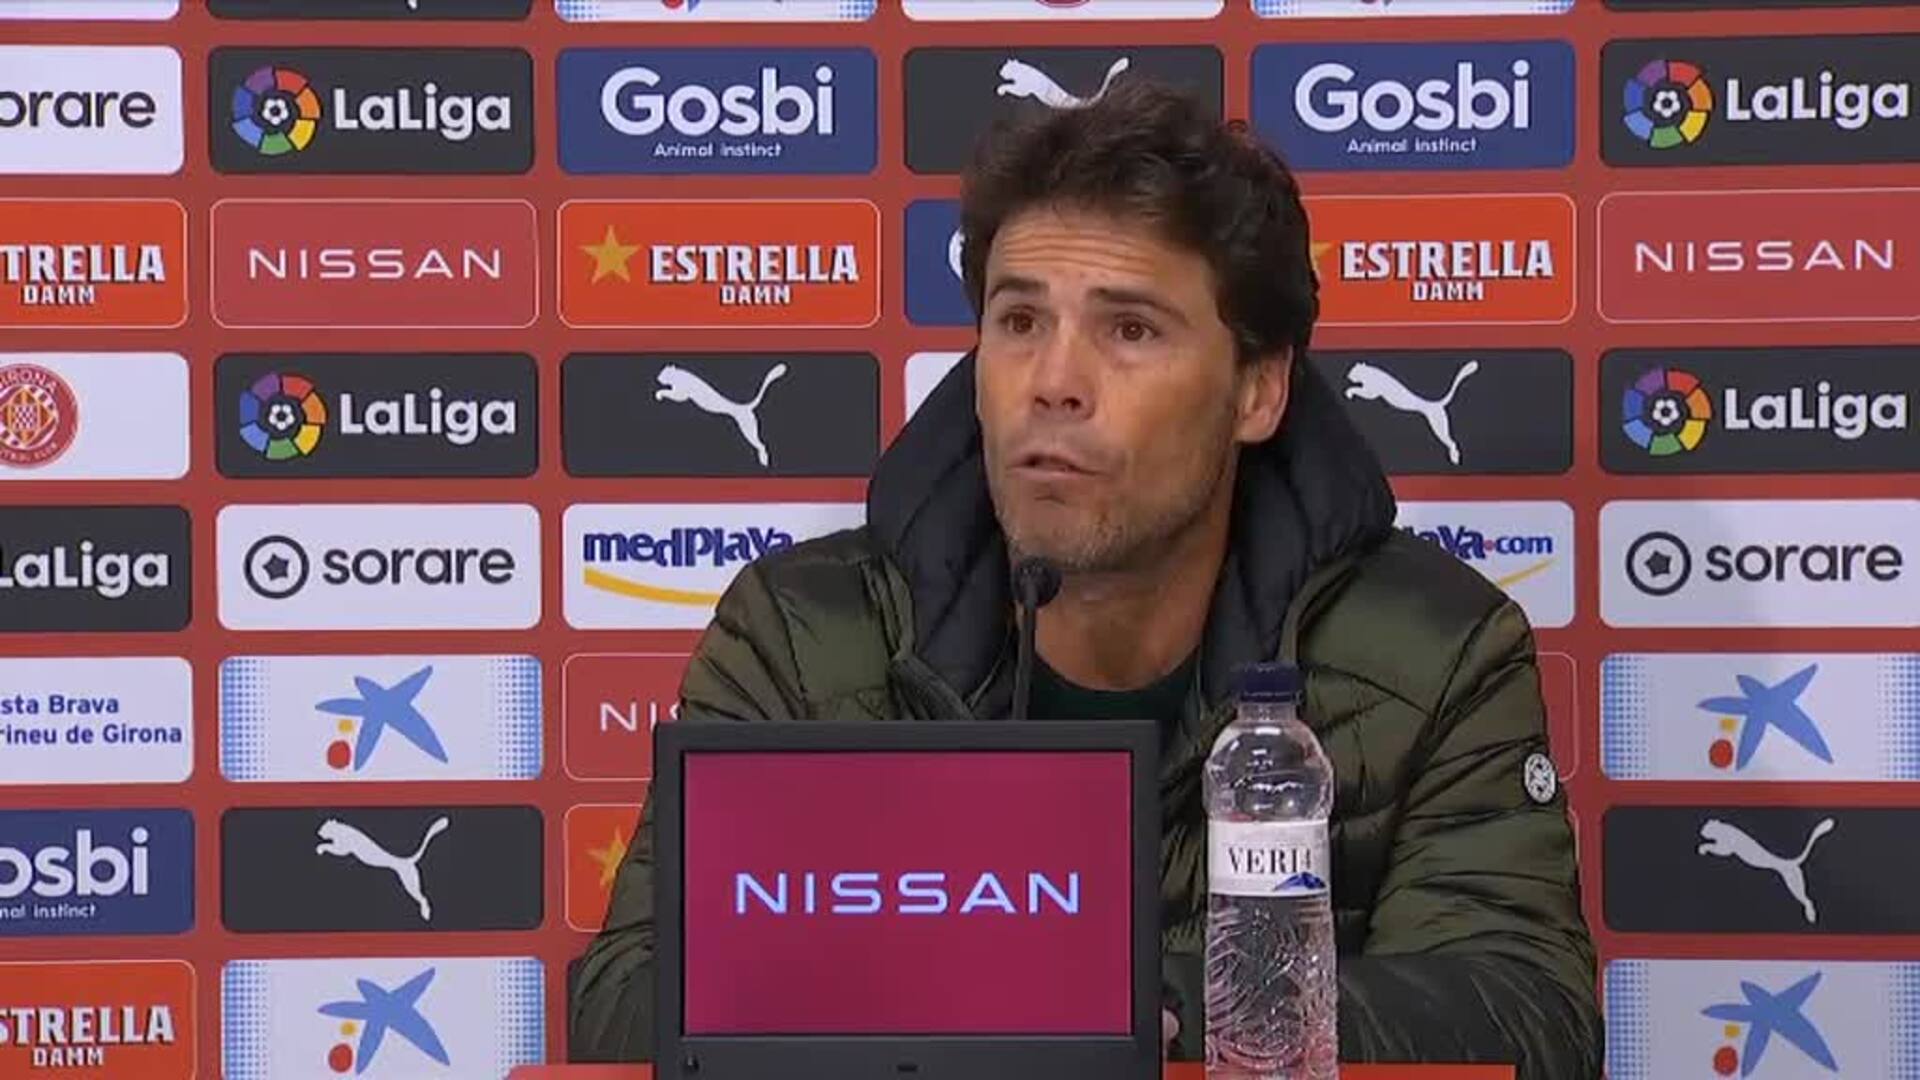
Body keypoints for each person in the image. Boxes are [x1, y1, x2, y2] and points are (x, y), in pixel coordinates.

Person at [569, 77, 1602, 1078]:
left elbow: (1528, 1012)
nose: (1054, 383)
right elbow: (628, 1000)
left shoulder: (1435, 654)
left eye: (1130, 329)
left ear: (1257, 390)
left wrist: (1140, 1011)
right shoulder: (802, 638)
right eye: (1020, 322)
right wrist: (1040, 1002)